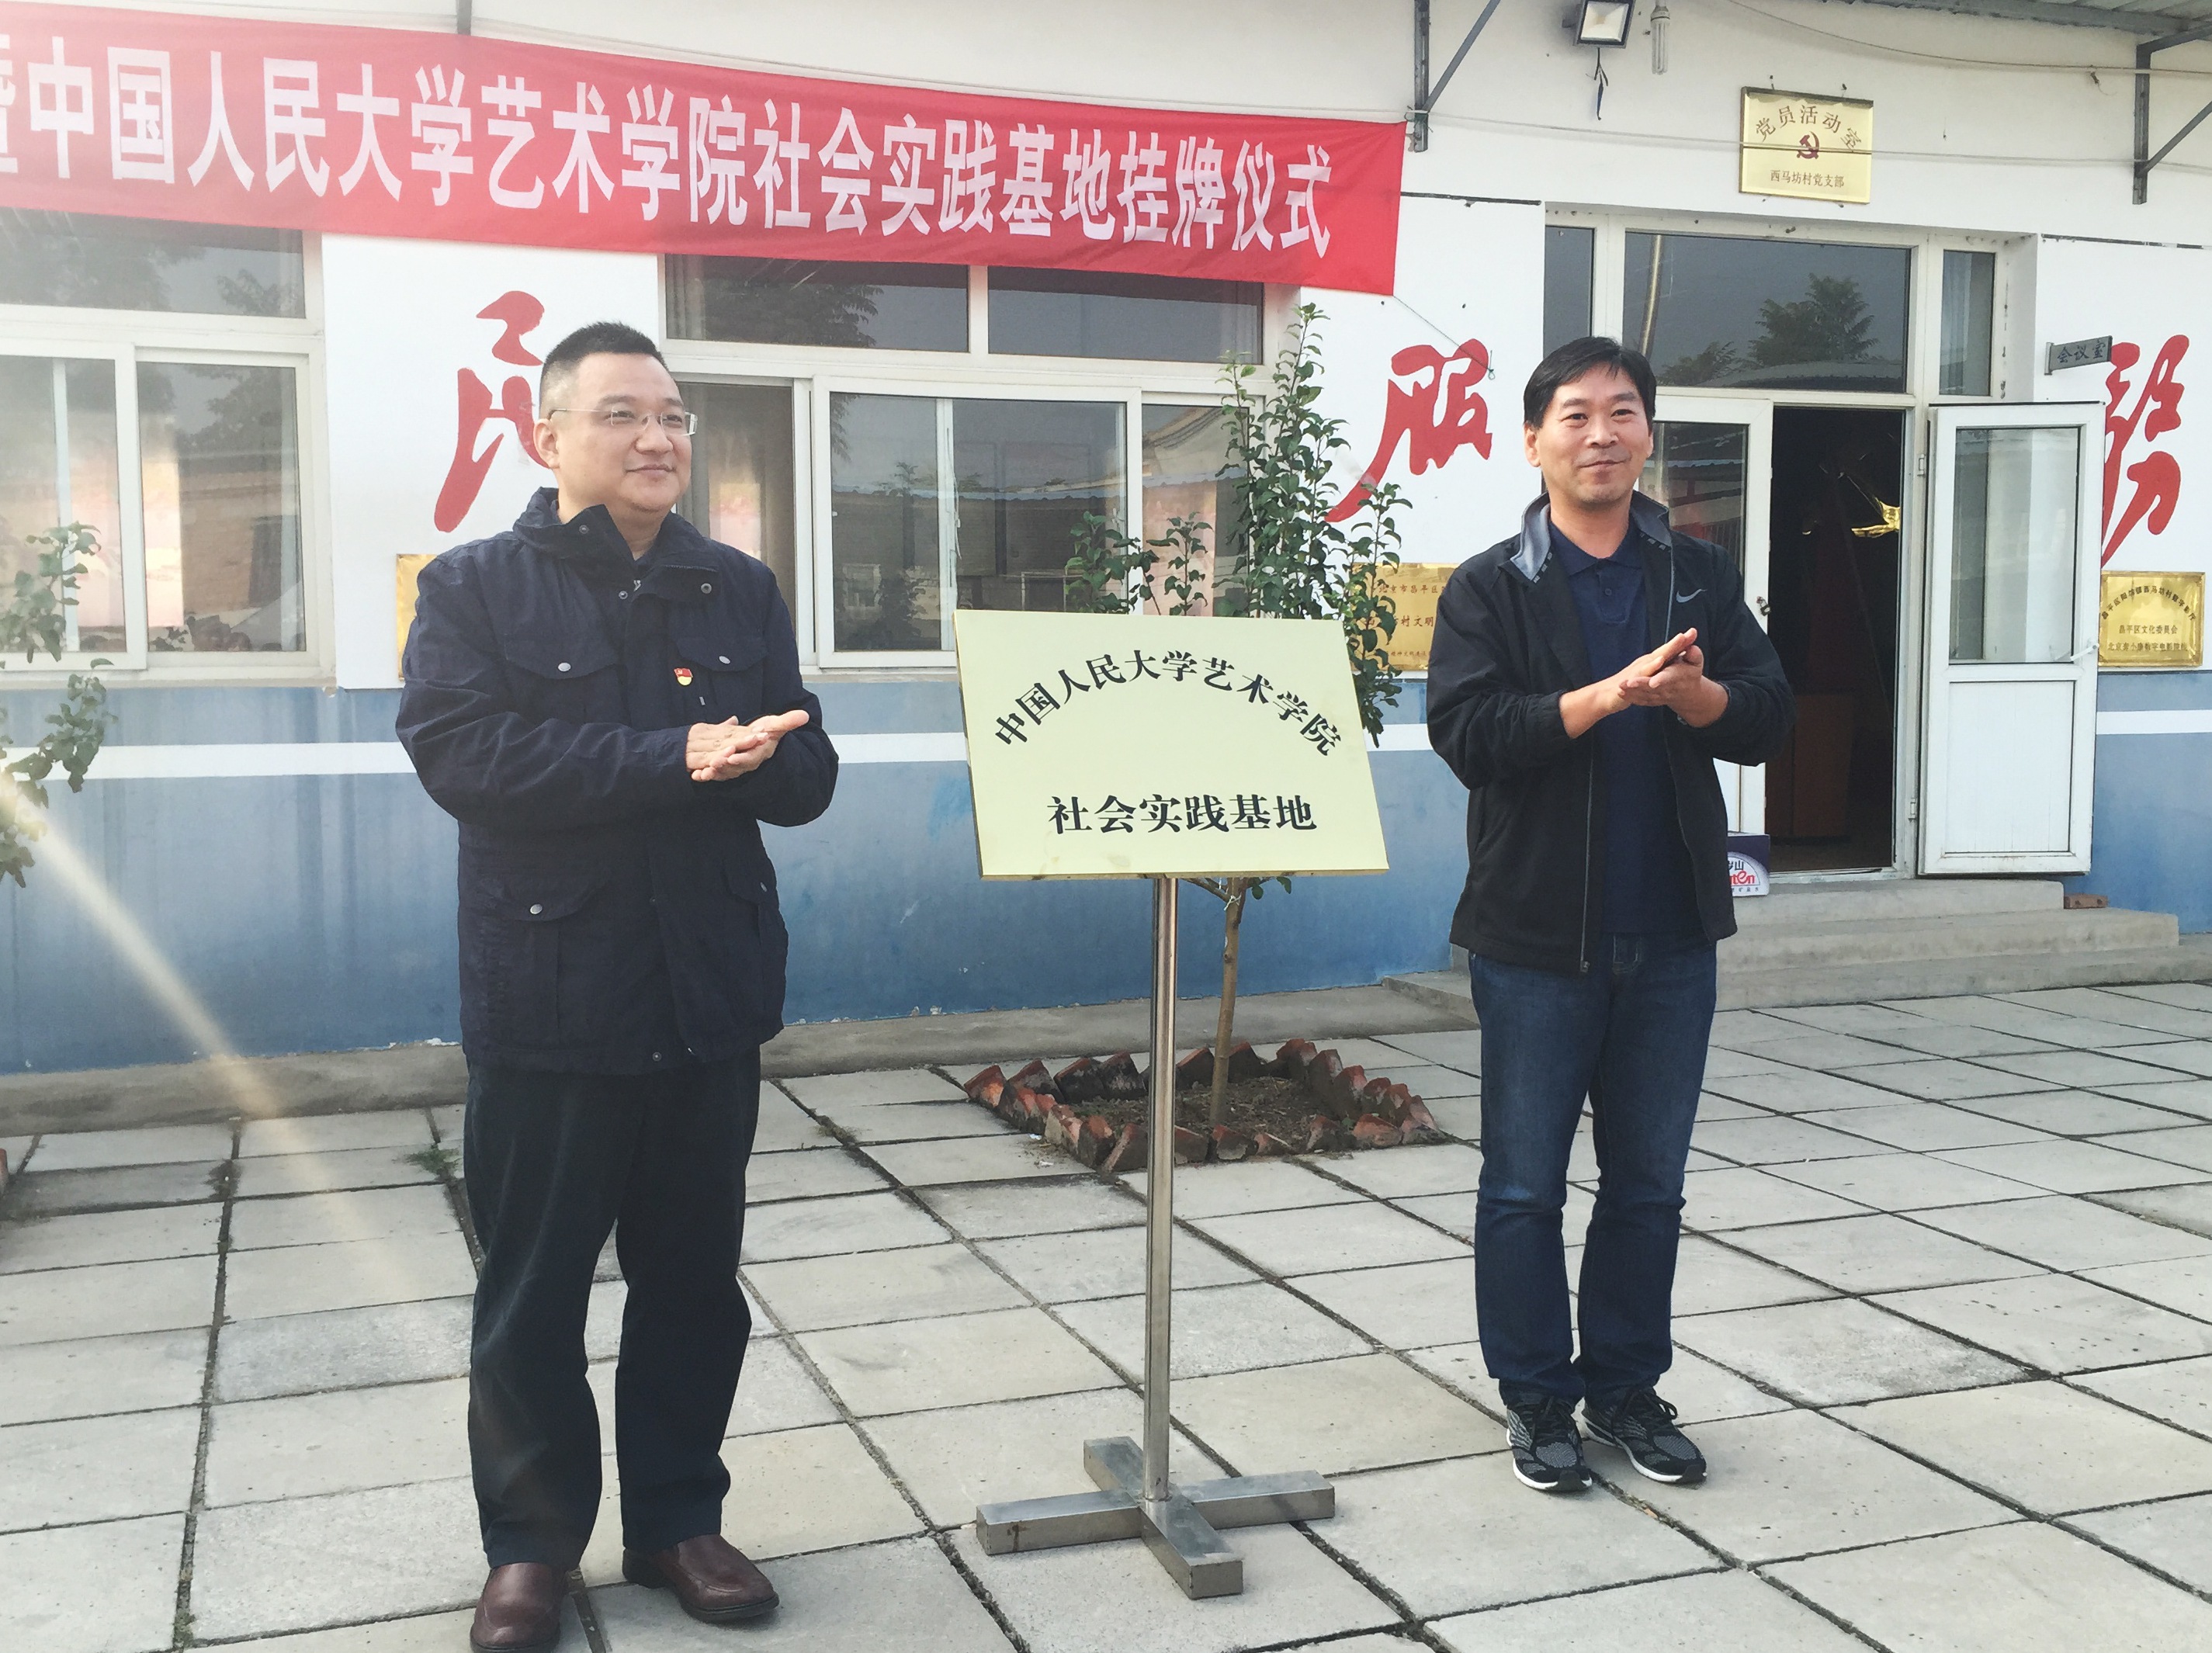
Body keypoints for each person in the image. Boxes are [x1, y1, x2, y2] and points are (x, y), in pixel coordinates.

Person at [398, 321, 837, 1648]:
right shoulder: (476, 587)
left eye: (673, 415)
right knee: (531, 1297)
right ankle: (530, 1550)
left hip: (706, 993)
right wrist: (675, 756)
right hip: (553, 994)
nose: (658, 438)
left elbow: (808, 777)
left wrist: (764, 755)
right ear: (548, 435)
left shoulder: (735, 586)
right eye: (622, 414)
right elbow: (466, 759)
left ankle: (676, 1523)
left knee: (695, 1285)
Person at [1425, 337, 1793, 1494]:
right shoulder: (1490, 585)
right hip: (1536, 936)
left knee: (1648, 1185)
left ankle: (1626, 1388)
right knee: (1523, 1185)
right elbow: (1469, 735)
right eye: (1575, 415)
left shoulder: (1694, 575)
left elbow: (1767, 715)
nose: (1600, 434)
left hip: (1672, 933)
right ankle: (1536, 1397)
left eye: (1621, 412)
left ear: (1647, 436)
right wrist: (1602, 698)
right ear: (1533, 440)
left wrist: (1698, 696)